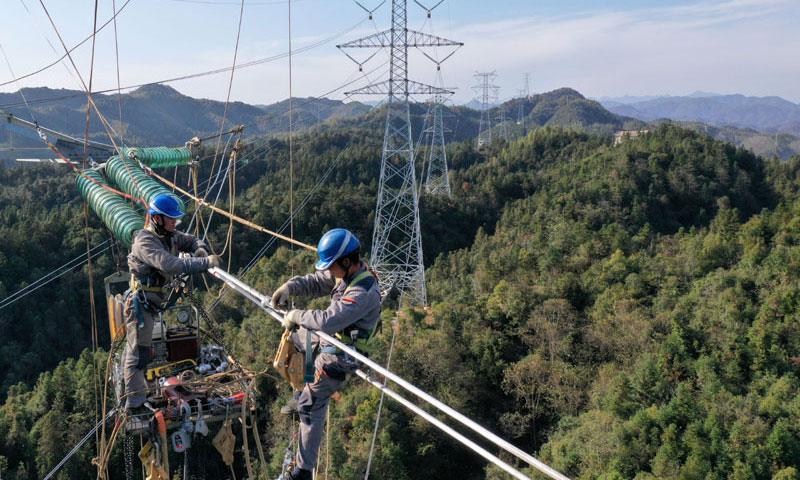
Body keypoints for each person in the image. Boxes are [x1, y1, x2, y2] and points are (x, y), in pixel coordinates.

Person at [271, 228, 381, 480]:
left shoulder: (362, 291)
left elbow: (328, 320)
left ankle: (304, 470)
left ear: (345, 261)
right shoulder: (346, 274)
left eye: (332, 266)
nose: (330, 271)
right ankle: (301, 390)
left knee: (311, 405)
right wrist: (290, 287)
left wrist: (295, 315)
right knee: (298, 337)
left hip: (344, 353)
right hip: (333, 338)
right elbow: (316, 281)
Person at [123, 194, 220, 411]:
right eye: (170, 219)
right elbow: (170, 264)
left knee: (137, 350)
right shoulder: (145, 241)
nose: (174, 223)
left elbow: (191, 239)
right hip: (141, 305)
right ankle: (135, 403)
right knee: (139, 354)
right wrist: (204, 262)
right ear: (156, 219)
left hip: (152, 303)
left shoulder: (170, 235)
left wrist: (199, 248)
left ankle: (135, 394)